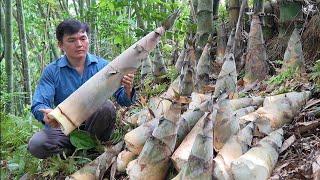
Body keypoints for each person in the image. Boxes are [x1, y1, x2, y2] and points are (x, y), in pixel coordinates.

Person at [28, 19, 136, 159]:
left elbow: (123, 100)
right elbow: (39, 104)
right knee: (37, 144)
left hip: (96, 124)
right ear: (60, 45)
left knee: (106, 106)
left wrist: (128, 89)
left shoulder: (103, 66)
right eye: (71, 40)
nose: (79, 44)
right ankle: (73, 148)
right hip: (65, 127)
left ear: (88, 40)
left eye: (83, 38)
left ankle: (91, 149)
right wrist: (47, 115)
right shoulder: (52, 71)